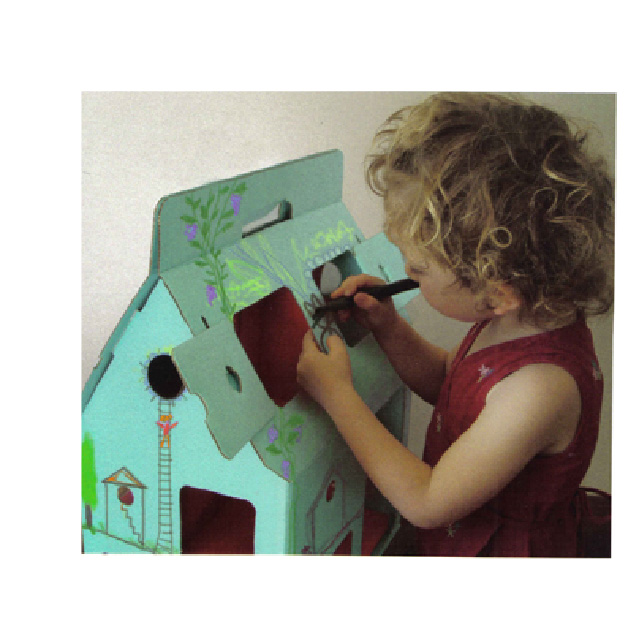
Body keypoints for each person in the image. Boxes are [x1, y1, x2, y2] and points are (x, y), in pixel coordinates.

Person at [296, 93, 613, 556]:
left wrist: (338, 396)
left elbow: (427, 501)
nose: (406, 272)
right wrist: (389, 327)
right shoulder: (520, 318)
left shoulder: (540, 389)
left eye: (419, 268)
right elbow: (456, 384)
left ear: (498, 292)